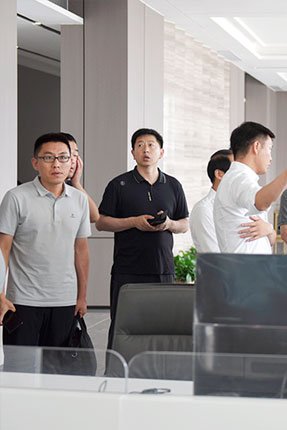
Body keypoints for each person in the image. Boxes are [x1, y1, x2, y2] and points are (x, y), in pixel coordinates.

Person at [96, 128, 189, 348]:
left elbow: (184, 224)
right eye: (140, 145)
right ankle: (117, 368)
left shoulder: (173, 185)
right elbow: (101, 222)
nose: (146, 150)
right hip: (127, 269)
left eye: (151, 145)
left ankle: (157, 367)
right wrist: (133, 222)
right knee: (122, 326)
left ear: (161, 152)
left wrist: (169, 224)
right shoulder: (118, 185)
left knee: (162, 326)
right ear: (132, 153)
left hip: (162, 269)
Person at [0, 133, 90, 347]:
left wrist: (82, 297)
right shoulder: (16, 197)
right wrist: (0, 295)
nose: (56, 164)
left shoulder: (80, 200)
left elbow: (81, 251)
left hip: (65, 301)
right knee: (21, 365)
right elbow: (3, 248)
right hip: (22, 301)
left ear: (72, 162)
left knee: (59, 365)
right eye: (48, 158)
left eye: (63, 157)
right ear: (35, 163)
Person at [214, 122, 287, 254]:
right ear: (256, 147)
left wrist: (269, 229)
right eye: (269, 149)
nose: (271, 158)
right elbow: (260, 203)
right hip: (245, 265)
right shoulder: (238, 178)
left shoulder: (241, 178)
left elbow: (269, 240)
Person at [190, 149, 233, 253]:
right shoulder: (203, 210)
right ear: (219, 174)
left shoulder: (242, 206)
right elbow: (214, 255)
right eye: (235, 170)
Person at [61, 132, 100, 223]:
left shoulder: (72, 187)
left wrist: (76, 183)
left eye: (75, 155)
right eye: (67, 155)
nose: (73, 160)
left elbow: (94, 217)